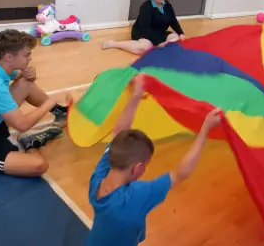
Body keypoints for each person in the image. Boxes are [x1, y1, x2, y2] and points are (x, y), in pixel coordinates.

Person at [85, 74, 222, 246]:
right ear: (137, 168)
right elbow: (180, 173)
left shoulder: (98, 177)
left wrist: (136, 96)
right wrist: (205, 129)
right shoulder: (135, 197)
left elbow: (118, 132)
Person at [0, 29, 68, 176]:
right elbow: (22, 125)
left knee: (25, 83)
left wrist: (30, 72)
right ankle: (30, 143)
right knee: (38, 165)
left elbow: (21, 75)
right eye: (27, 55)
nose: (30, 58)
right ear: (8, 56)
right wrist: (49, 101)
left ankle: (61, 113)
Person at [103, 0, 186, 55]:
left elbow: (173, 21)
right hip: (143, 32)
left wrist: (180, 33)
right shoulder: (146, 7)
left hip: (160, 32)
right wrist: (159, 42)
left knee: (175, 38)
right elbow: (145, 28)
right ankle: (113, 43)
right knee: (143, 48)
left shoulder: (167, 5)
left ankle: (160, 47)